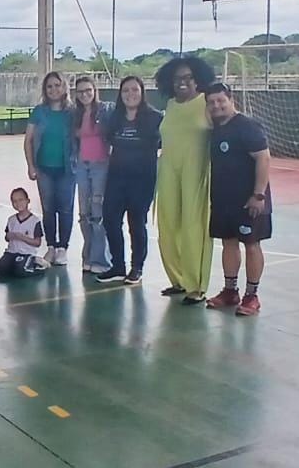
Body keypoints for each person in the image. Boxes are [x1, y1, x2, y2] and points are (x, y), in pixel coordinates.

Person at [203, 83, 271, 317]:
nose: (216, 105)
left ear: (231, 99)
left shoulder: (247, 126)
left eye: (220, 100)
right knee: (229, 242)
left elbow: (263, 158)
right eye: (211, 102)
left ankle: (252, 296)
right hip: (223, 199)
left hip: (249, 200)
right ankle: (230, 291)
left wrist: (258, 195)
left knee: (251, 244)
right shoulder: (216, 128)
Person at [155, 56, 216, 304]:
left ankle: (196, 285)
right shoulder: (170, 105)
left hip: (196, 170)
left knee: (193, 226)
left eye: (188, 77)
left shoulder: (206, 103)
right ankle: (178, 279)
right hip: (169, 169)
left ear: (197, 79)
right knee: (167, 224)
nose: (183, 82)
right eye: (178, 78)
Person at [96, 76, 163, 285]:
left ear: (142, 92)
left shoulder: (154, 117)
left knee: (136, 223)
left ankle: (137, 267)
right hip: (117, 177)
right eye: (126, 91)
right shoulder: (115, 117)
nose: (130, 94)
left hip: (142, 179)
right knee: (110, 219)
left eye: (135, 90)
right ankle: (118, 265)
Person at [23, 71, 75, 266]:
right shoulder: (39, 112)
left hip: (67, 169)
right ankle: (51, 246)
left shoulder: (72, 112)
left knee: (66, 209)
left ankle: (63, 248)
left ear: (64, 87)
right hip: (44, 168)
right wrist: (31, 165)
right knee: (48, 208)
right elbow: (28, 140)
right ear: (45, 90)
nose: (54, 89)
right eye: (50, 86)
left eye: (57, 85)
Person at [72, 75, 113, 274]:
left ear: (95, 91)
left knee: (98, 215)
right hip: (81, 166)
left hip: (101, 166)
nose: (85, 94)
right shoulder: (76, 114)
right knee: (84, 215)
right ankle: (87, 257)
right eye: (80, 92)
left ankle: (102, 260)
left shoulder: (105, 110)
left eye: (88, 90)